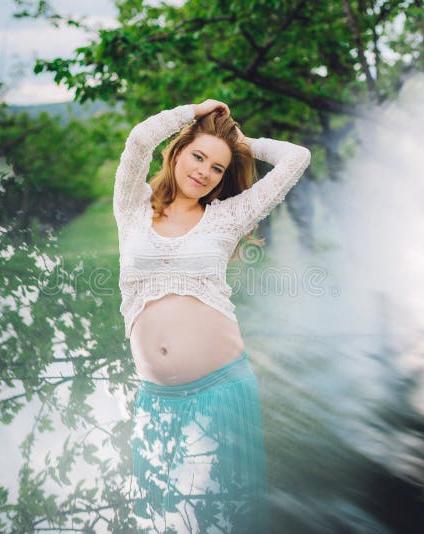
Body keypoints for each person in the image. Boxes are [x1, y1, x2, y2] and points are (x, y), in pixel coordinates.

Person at [114, 98, 311, 533]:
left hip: (220, 391)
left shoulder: (227, 217)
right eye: (198, 156)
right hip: (156, 401)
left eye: (218, 168)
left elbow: (297, 158)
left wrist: (243, 144)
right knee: (165, 522)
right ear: (178, 152)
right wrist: (196, 110)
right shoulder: (132, 206)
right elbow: (139, 139)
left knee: (222, 521)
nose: (204, 171)